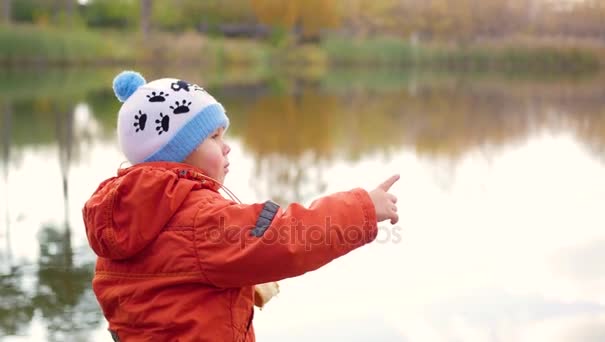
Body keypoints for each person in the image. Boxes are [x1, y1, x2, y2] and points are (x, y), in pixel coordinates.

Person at [82, 71, 400, 341]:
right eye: (214, 137)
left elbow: (169, 284)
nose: (227, 147)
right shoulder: (199, 217)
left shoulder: (121, 216)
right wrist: (364, 209)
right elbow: (287, 238)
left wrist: (239, 285)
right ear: (176, 151)